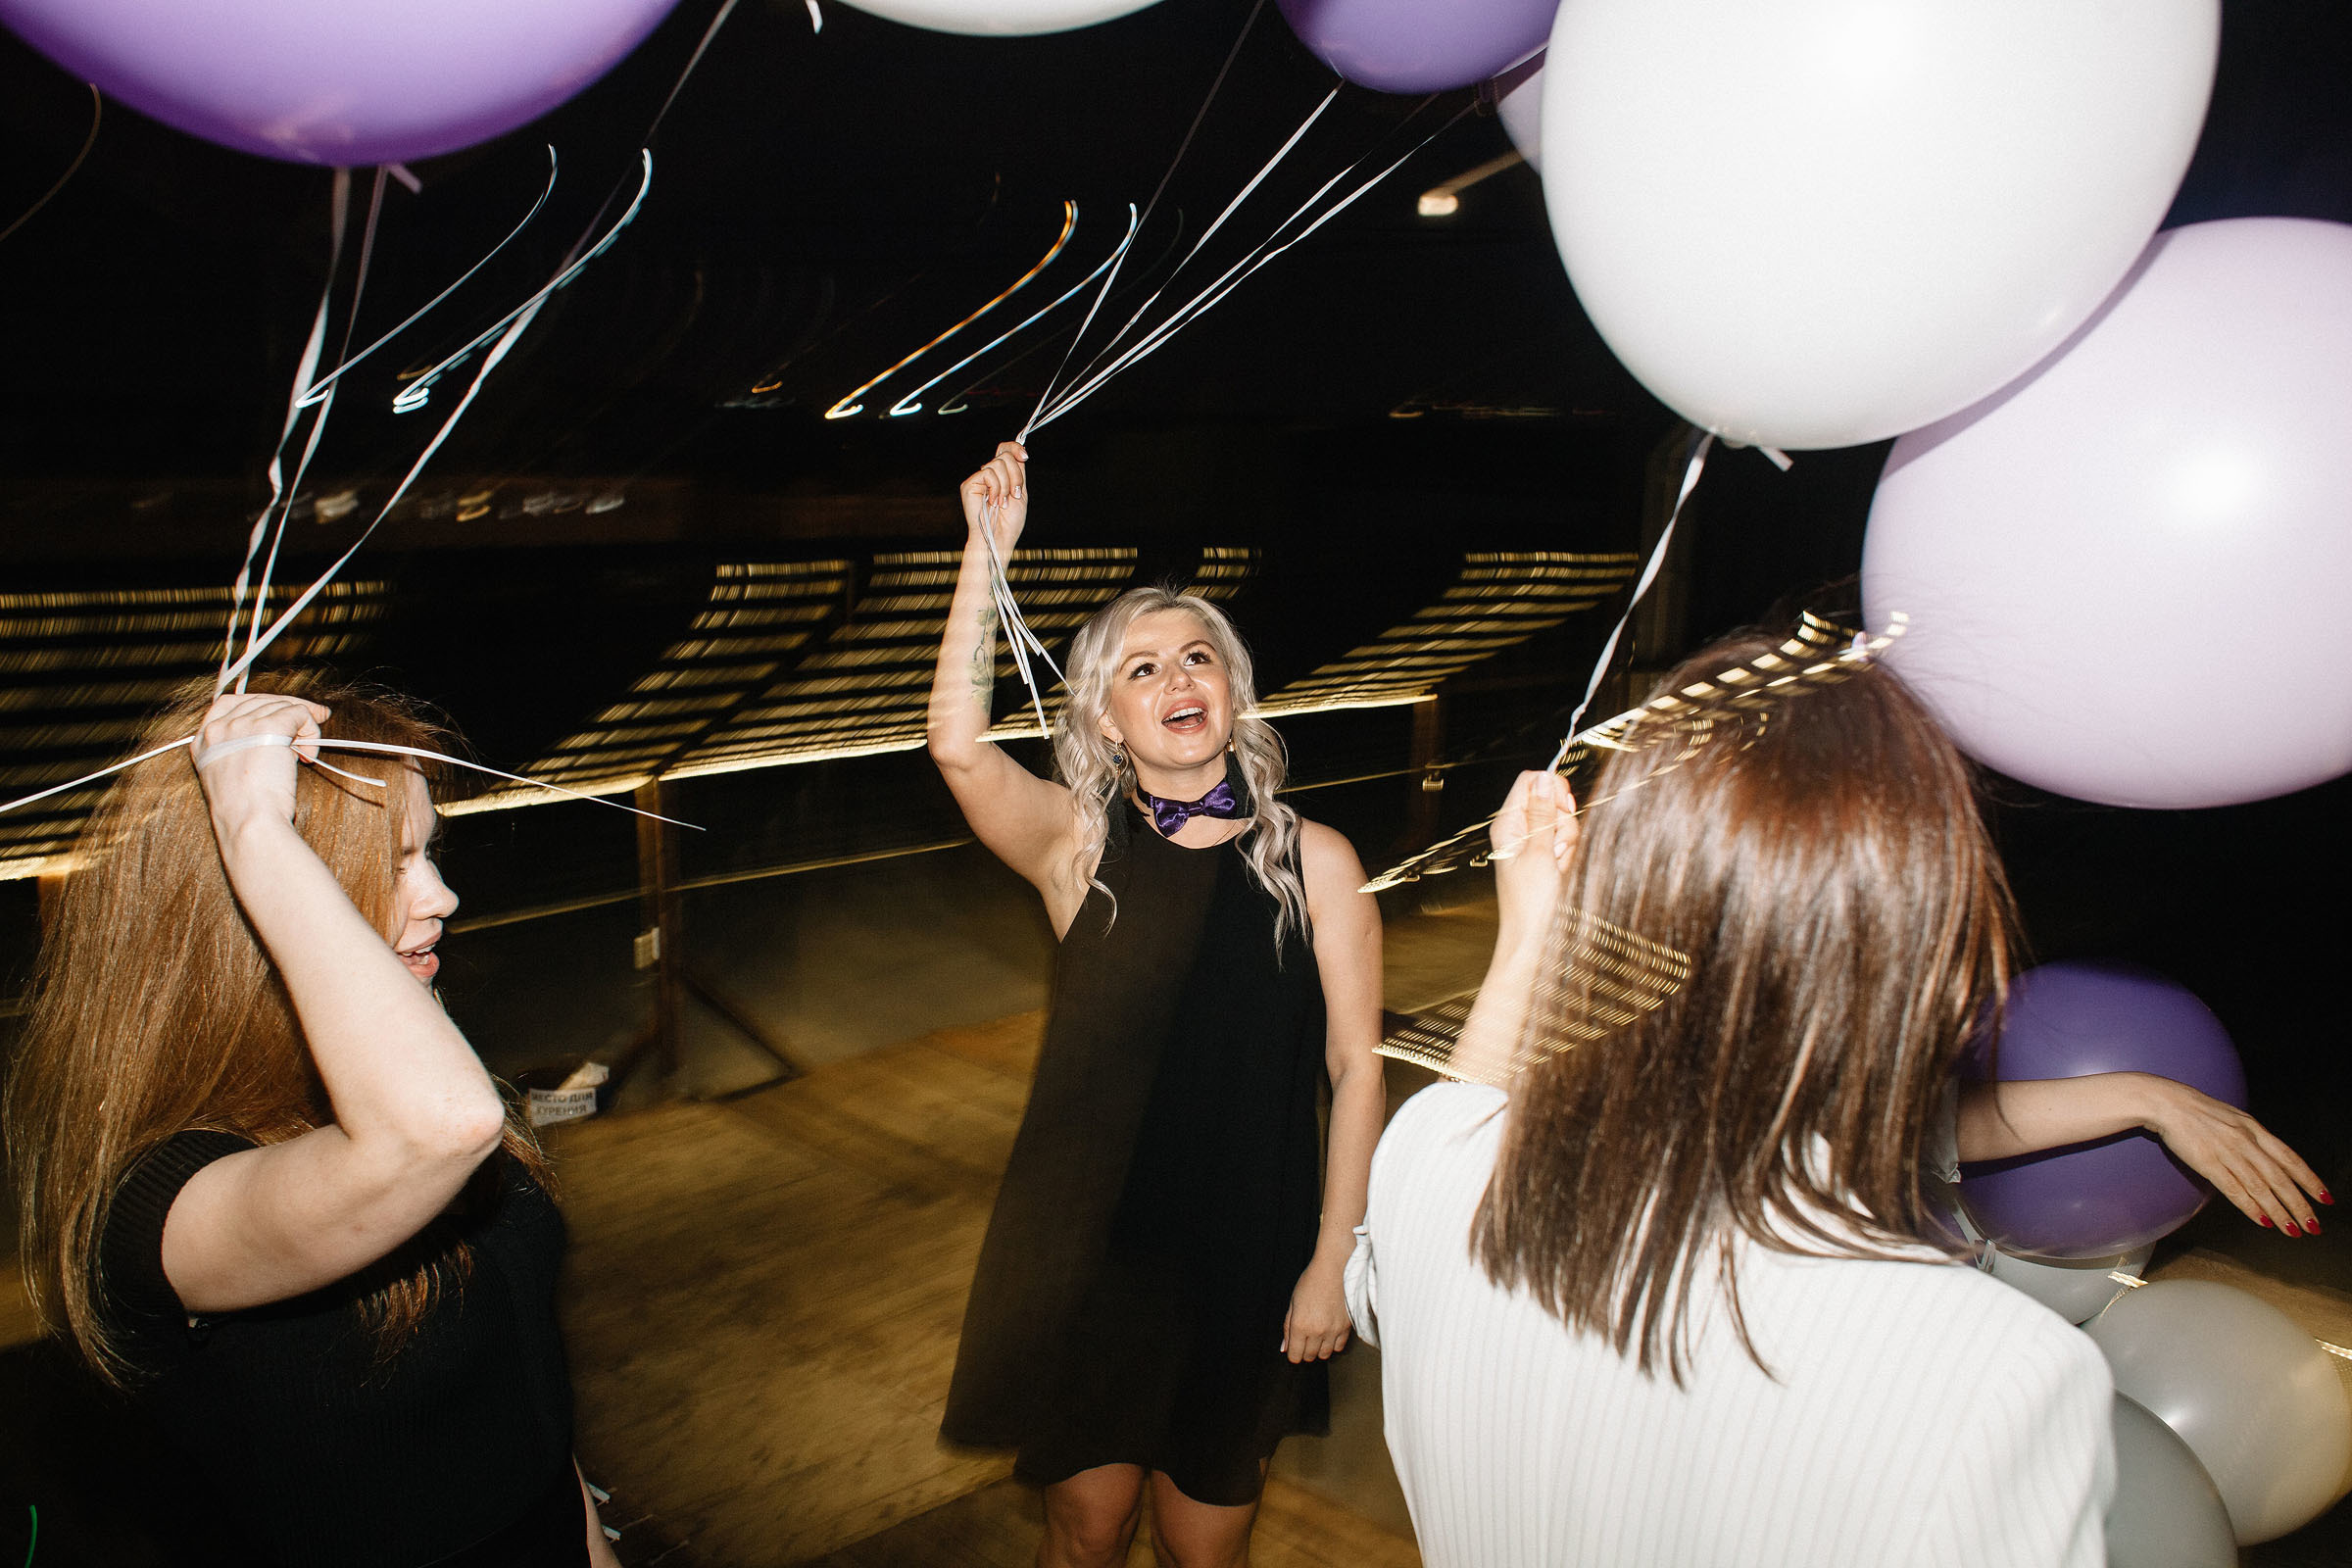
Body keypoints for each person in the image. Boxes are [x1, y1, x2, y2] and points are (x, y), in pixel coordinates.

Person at [1348, 634, 2117, 1568]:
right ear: (1924, 959)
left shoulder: (1429, 1166)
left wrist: (1535, 938)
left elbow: (1461, 1127)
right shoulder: (1999, 1380)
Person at [4, 678, 616, 1568]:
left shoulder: (386, 1076)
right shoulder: (153, 1199)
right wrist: (254, 827)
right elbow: (441, 1126)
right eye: (393, 864)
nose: (441, 896)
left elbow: (524, 1390)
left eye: (431, 853)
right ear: (252, 901)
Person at [927, 443, 1385, 1568]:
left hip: (1250, 1255)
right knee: (1087, 1529)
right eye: (1141, 670)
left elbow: (1357, 1069)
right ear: (1103, 718)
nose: (1177, 681)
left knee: (1205, 1542)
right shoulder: (1079, 849)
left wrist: (1335, 1259)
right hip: (1093, 1253)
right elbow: (955, 744)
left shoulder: (1316, 859)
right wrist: (985, 554)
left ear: (1232, 689)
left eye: (1197, 658)